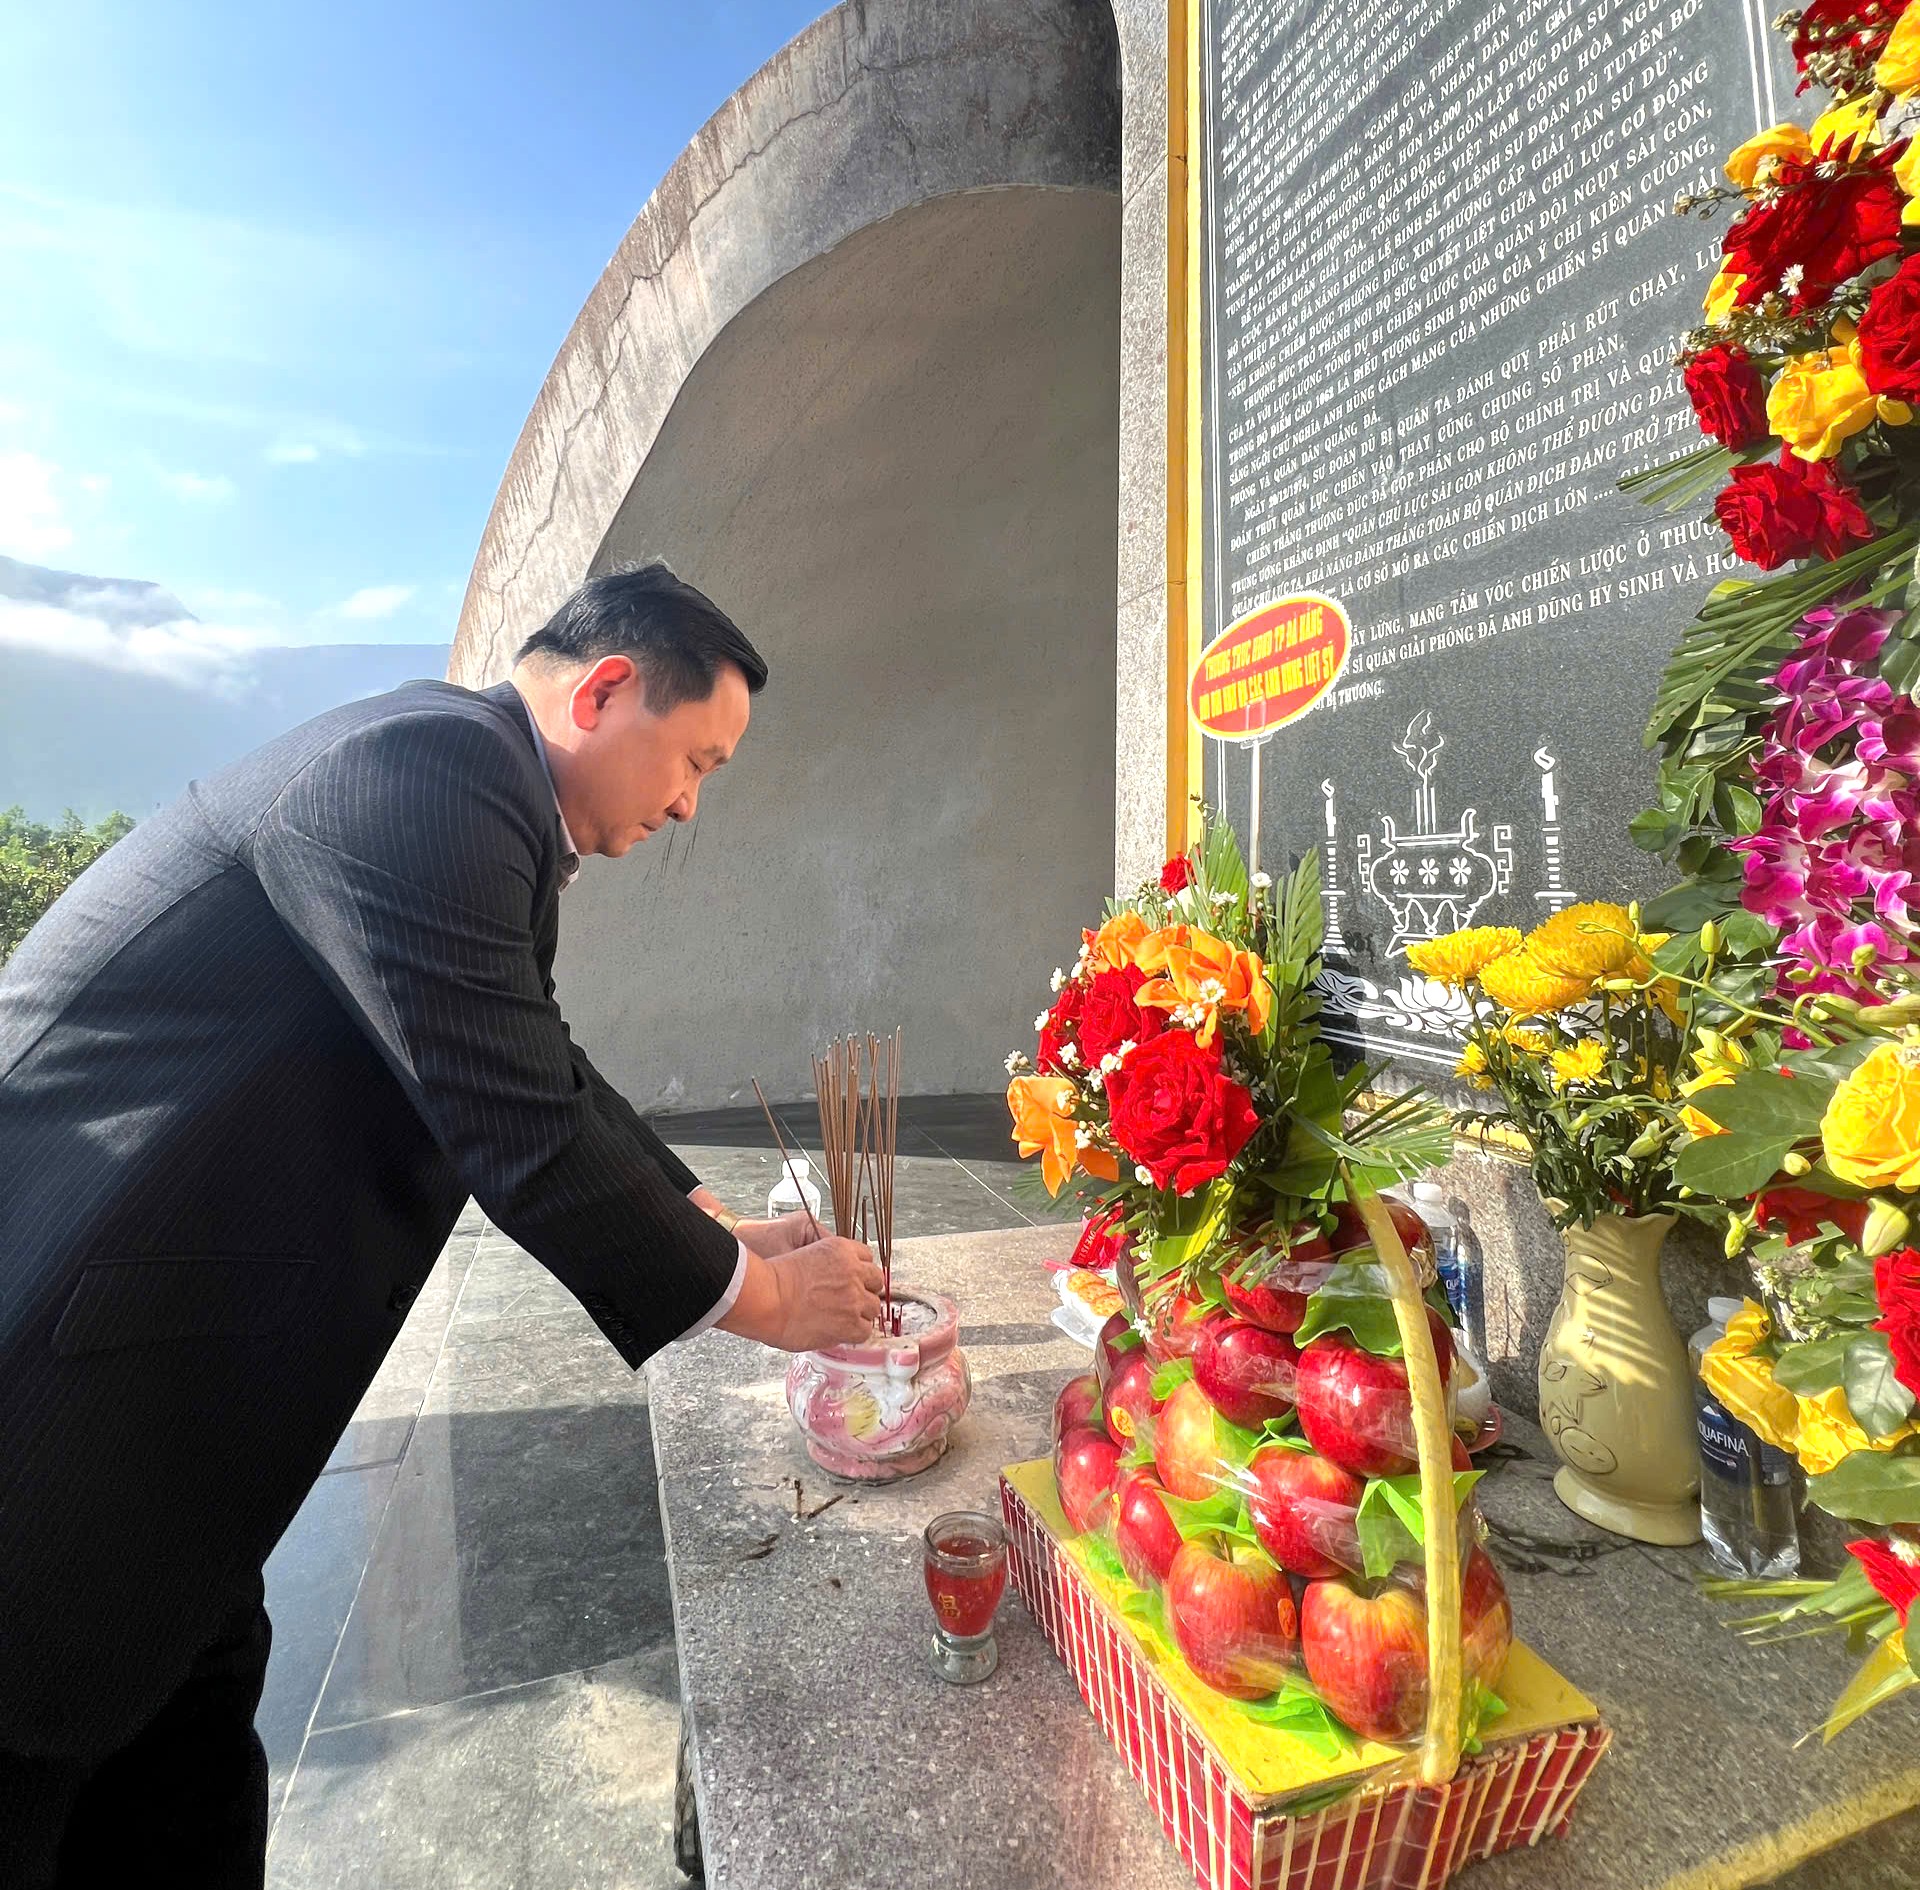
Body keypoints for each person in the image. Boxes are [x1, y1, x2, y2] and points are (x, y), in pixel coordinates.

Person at [0, 562, 882, 1887]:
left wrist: (714, 1224)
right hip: (62, 1402)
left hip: (179, 1421)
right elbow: (519, 1123)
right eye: (696, 759)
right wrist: (760, 1302)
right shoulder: (426, 769)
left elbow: (545, 1058)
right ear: (603, 690)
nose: (691, 802)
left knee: (179, 1776)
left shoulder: (468, 790)